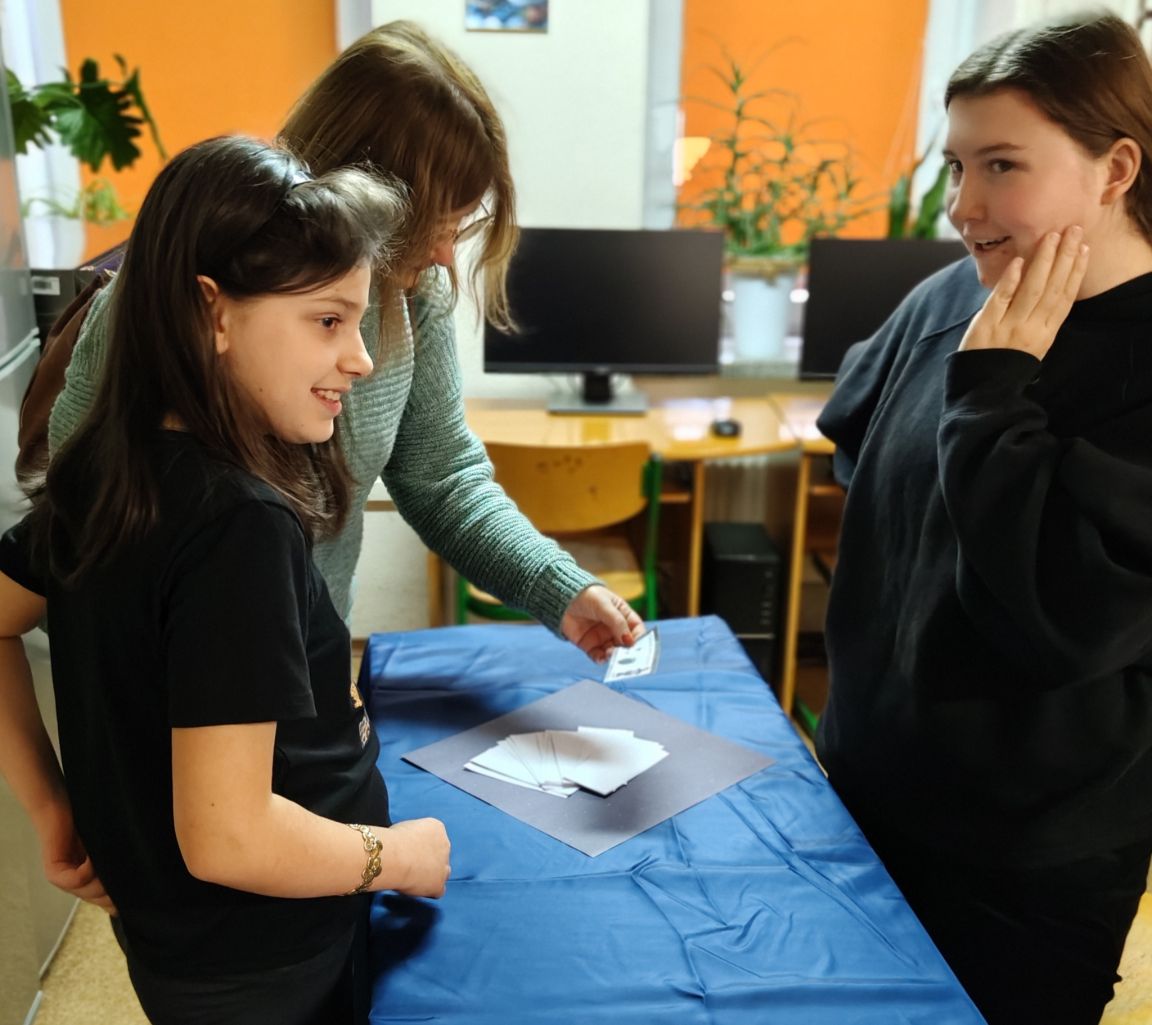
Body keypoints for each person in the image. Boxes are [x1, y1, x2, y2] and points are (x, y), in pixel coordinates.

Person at [0, 136, 451, 1025]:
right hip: (267, 959)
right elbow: (229, 837)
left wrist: (53, 807)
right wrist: (395, 856)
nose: (360, 358)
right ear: (213, 313)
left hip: (180, 947)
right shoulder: (236, 525)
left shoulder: (110, 469)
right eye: (328, 321)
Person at [45, 20, 645, 661]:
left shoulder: (415, 297)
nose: (445, 256)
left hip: (305, 658)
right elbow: (76, 508)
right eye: (437, 226)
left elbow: (443, 479)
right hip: (172, 669)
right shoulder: (161, 306)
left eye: (460, 228)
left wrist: (560, 588)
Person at [815, 13, 1152, 1025]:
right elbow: (859, 449)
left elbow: (1060, 617)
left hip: (1022, 865)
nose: (964, 207)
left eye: (1003, 165)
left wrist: (993, 390)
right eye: (957, 165)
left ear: (1115, 168)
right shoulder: (947, 297)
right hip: (864, 793)